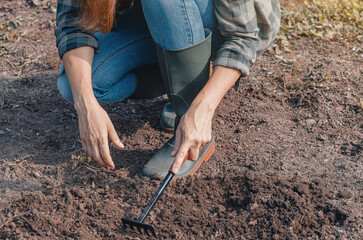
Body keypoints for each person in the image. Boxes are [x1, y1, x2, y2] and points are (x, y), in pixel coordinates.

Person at [55, 0, 280, 178]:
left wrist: (202, 108)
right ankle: (176, 79)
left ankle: (192, 118)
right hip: (152, 14)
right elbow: (73, 22)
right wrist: (86, 104)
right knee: (78, 85)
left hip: (221, 21)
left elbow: (242, 38)